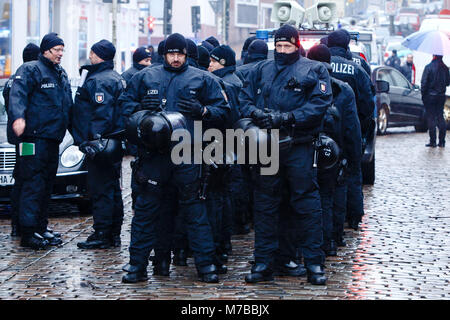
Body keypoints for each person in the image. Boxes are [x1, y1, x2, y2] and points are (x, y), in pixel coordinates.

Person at [119, 33, 230, 284]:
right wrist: (141, 112)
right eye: (172, 53)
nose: (176, 58)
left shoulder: (204, 79)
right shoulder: (144, 77)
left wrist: (203, 111)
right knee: (146, 213)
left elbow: (224, 112)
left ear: (186, 55)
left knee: (195, 213)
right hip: (154, 156)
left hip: (188, 154)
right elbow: (124, 107)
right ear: (164, 54)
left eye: (180, 54)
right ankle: (137, 265)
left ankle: (206, 266)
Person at [239, 24, 332, 285]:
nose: (282, 51)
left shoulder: (314, 69)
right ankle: (263, 262)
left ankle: (314, 263)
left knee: (306, 204)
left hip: (299, 145)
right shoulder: (261, 69)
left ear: (296, 45)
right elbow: (243, 99)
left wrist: (289, 117)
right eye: (278, 46)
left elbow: (320, 104)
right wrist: (255, 113)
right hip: (267, 146)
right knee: (265, 205)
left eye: (287, 46)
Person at [7, 33, 73, 249]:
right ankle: (27, 232)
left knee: (46, 185)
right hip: (32, 140)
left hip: (53, 138)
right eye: (57, 50)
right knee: (31, 184)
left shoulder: (60, 73)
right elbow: (18, 95)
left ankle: (40, 227)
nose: (60, 54)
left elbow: (67, 105)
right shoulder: (30, 69)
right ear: (46, 50)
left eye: (62, 50)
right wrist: (19, 118)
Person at [307, 44, 362, 255]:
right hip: (334, 151)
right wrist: (353, 157)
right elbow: (352, 128)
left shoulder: (304, 84)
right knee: (330, 197)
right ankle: (331, 240)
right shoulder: (343, 89)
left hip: (307, 149)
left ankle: (312, 243)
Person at [72, 40, 126, 249]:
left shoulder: (99, 81)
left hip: (101, 145)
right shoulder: (114, 78)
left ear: (97, 55)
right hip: (112, 144)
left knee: (101, 189)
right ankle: (113, 233)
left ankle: (103, 233)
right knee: (112, 188)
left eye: (92, 53)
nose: (90, 56)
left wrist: (94, 141)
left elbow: (101, 113)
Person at [326, 29, 374, 231]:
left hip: (322, 129)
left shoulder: (316, 67)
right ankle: (353, 217)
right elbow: (367, 103)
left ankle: (328, 222)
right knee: (352, 172)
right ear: (347, 46)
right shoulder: (357, 68)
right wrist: (361, 129)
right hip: (348, 129)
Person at [3, 43, 41, 238]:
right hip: (25, 139)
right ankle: (19, 224)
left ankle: (18, 223)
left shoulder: (12, 80)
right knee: (25, 178)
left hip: (18, 138)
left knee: (22, 177)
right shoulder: (25, 78)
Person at [421, 55, 450, 148]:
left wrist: (423, 95)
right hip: (441, 96)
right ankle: (442, 141)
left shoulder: (428, 67)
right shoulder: (445, 68)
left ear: (433, 55)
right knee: (440, 117)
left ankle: (433, 141)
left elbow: (424, 83)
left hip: (430, 96)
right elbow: (448, 83)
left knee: (431, 118)